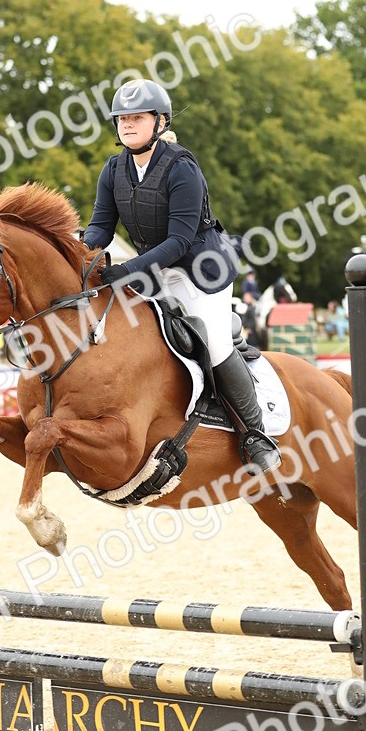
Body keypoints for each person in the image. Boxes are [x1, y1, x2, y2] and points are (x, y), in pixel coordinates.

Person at [82, 77, 280, 475]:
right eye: (122, 118)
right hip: (156, 270)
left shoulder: (181, 167)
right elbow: (100, 228)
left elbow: (179, 240)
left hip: (202, 268)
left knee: (215, 342)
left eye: (137, 117)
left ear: (160, 121)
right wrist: (81, 257)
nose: (127, 125)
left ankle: (256, 435)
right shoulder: (113, 169)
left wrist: (125, 271)